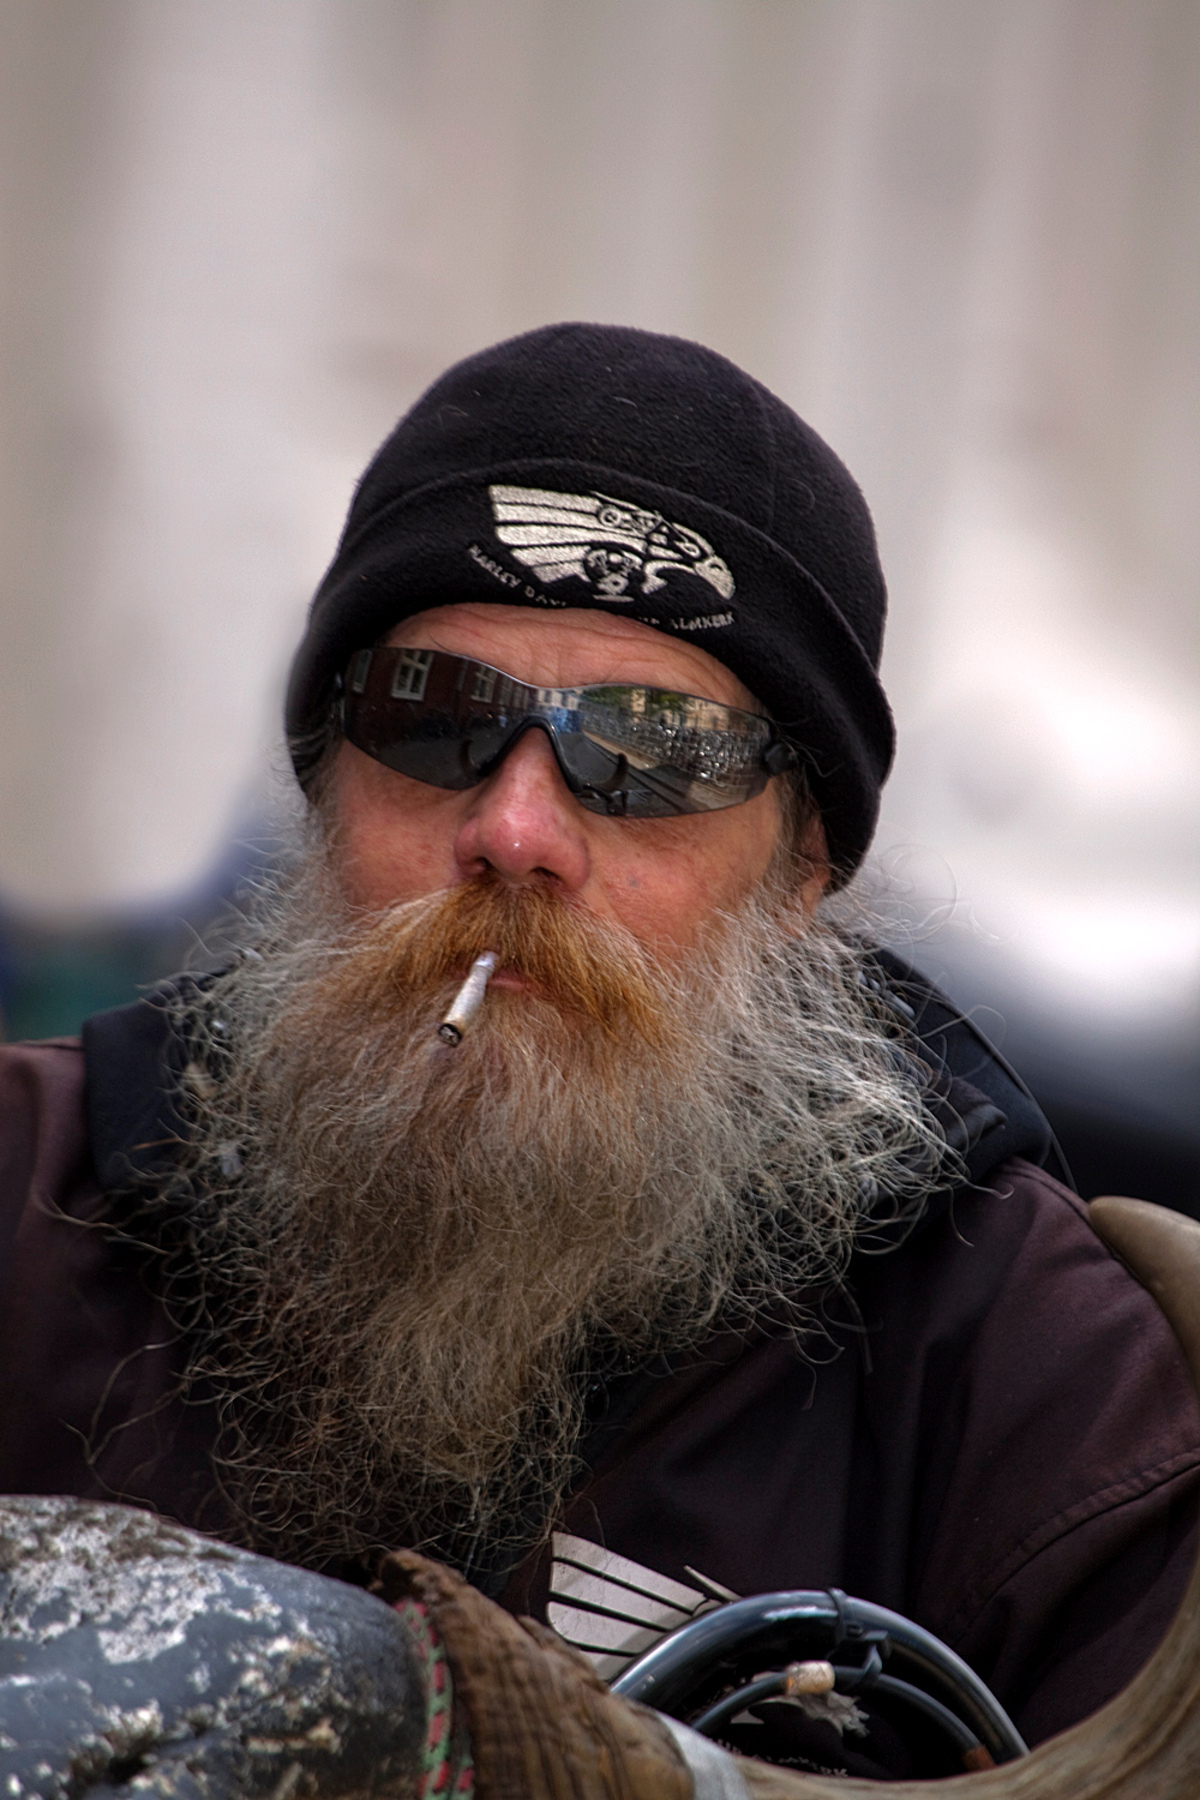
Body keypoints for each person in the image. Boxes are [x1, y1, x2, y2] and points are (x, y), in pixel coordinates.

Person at [0, 324, 1196, 1778]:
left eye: (652, 749)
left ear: (803, 862)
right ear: (325, 788)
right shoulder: (29, 1197)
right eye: (435, 715)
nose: (514, 832)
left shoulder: (1031, 1380)